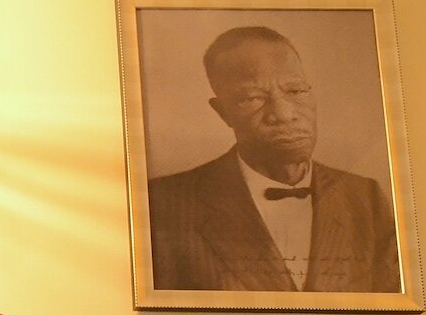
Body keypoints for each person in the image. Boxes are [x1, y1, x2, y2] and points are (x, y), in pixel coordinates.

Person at [147, 26, 400, 293]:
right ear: (223, 112)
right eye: (253, 97)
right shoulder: (166, 204)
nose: (283, 113)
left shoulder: (365, 197)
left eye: (295, 91)